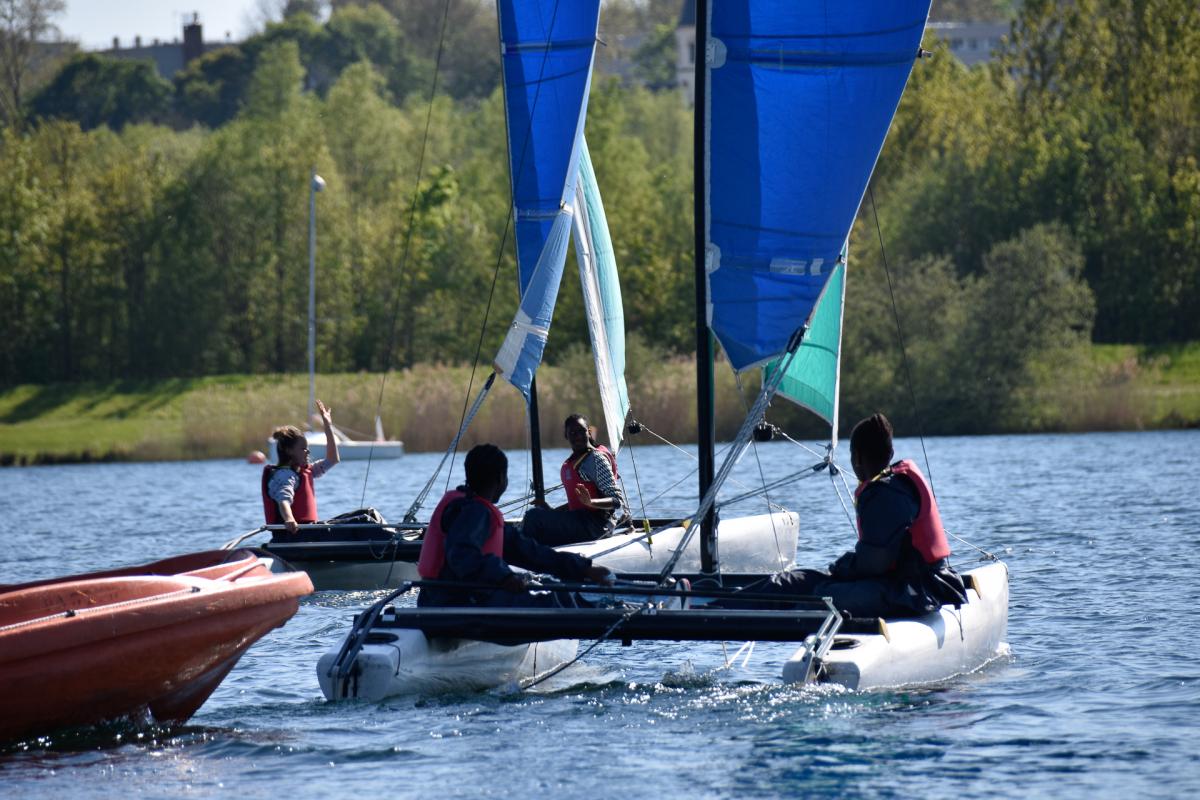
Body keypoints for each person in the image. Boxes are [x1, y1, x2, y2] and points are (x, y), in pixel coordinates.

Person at [720, 413, 967, 618]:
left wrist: (841, 568)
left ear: (856, 457)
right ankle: (721, 606)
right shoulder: (889, 485)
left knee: (820, 596)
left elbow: (874, 564)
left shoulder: (887, 493)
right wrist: (840, 569)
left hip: (914, 591)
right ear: (891, 453)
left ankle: (730, 612)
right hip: (892, 583)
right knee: (792, 582)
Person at [416, 443, 614, 608]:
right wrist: (503, 577)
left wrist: (582, 568)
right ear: (501, 479)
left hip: (436, 598)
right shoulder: (475, 512)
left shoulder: (463, 504)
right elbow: (461, 554)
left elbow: (529, 552)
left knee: (547, 588)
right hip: (458, 604)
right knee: (560, 601)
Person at [521, 414, 624, 547]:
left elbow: (617, 500)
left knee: (533, 517)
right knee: (535, 517)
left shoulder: (596, 459)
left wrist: (591, 502)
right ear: (566, 436)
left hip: (598, 525)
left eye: (581, 431)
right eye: (573, 433)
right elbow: (577, 504)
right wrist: (550, 511)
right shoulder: (573, 461)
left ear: (589, 432)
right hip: (581, 521)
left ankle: (523, 554)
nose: (578, 436)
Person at [262, 399, 340, 534]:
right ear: (289, 451)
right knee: (364, 520)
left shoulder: (305, 472)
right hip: (296, 535)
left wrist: (327, 426)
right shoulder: (285, 476)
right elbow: (283, 500)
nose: (308, 452)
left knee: (367, 514)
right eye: (303, 448)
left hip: (309, 532)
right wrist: (289, 519)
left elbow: (333, 459)